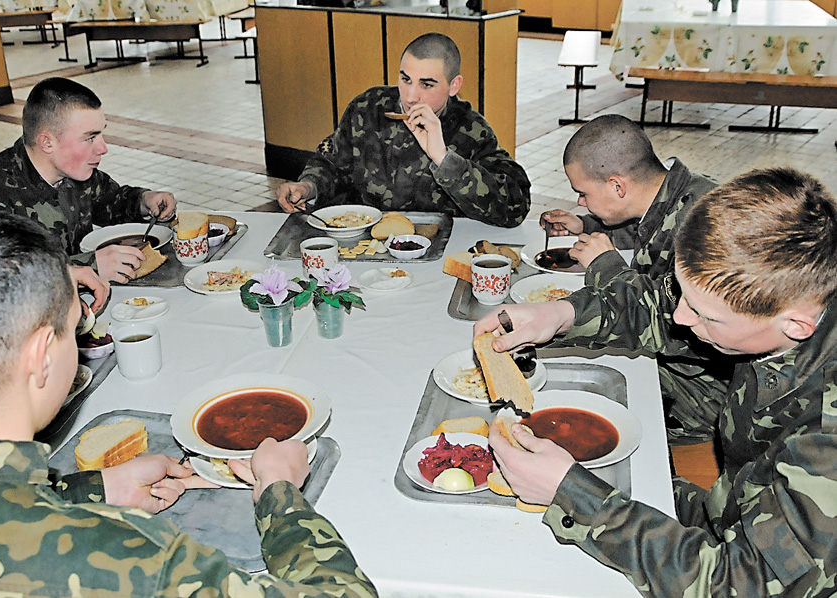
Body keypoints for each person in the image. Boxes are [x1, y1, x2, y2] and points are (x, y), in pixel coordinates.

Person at [0, 210, 379, 598]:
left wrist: (92, 489)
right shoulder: (127, 561)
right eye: (75, 328)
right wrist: (279, 491)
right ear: (39, 357)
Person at [476, 167, 837, 597]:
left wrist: (572, 494)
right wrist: (560, 315)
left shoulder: (827, 438)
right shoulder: (779, 295)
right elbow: (656, 304)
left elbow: (738, 586)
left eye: (707, 316)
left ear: (796, 326)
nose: (682, 319)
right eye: (685, 295)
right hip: (730, 510)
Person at [541, 114, 730, 444]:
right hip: (681, 360)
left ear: (617, 185)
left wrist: (607, 267)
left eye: (583, 193)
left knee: (570, 390)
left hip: (707, 389)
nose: (580, 201)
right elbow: (650, 226)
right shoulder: (675, 192)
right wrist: (587, 225)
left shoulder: (705, 228)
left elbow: (671, 324)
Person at [276, 32, 531, 228]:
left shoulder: (471, 130)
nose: (410, 96)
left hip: (435, 251)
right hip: (366, 243)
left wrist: (444, 158)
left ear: (454, 86)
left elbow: (514, 207)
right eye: (405, 79)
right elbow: (332, 164)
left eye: (427, 85)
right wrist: (309, 186)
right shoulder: (368, 108)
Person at [0, 77, 177, 285]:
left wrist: (143, 200)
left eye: (101, 135)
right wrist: (89, 266)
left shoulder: (73, 171)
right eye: (90, 138)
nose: (103, 148)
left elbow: (111, 201)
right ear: (47, 142)